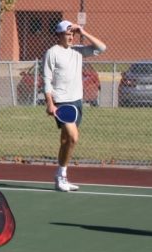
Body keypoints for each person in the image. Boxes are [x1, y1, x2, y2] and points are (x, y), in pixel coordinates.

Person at [42, 20, 107, 192]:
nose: (70, 37)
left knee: (66, 141)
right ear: (59, 35)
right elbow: (47, 80)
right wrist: (50, 103)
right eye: (67, 34)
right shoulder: (52, 53)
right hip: (61, 102)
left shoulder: (77, 51)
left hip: (77, 101)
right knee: (73, 137)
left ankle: (60, 176)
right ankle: (61, 175)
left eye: (72, 34)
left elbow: (102, 48)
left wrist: (83, 32)